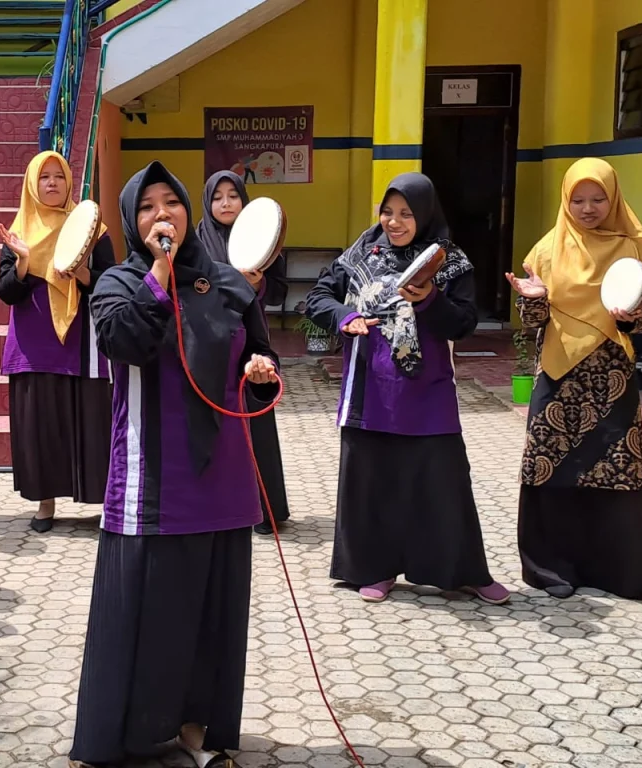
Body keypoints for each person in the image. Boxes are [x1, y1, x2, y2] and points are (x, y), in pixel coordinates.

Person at [68, 161, 280, 768]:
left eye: (172, 202)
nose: (164, 214)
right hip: (152, 480)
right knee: (149, 612)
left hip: (225, 476)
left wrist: (259, 373)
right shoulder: (117, 283)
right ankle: (123, 734)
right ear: (134, 223)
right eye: (147, 207)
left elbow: (258, 357)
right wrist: (158, 277)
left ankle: (198, 729)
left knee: (212, 616)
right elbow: (124, 341)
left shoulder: (230, 285)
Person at [304, 172, 509, 605]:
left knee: (444, 484)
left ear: (427, 215)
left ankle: (463, 570)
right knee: (374, 483)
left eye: (406, 214)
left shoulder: (449, 261)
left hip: (427, 393)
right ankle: (374, 569)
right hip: (369, 392)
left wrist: (429, 298)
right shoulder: (360, 252)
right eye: (388, 212)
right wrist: (344, 316)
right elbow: (318, 298)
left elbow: (465, 323)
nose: (394, 222)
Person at [507, 157, 642, 600]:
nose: (588, 208)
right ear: (566, 201)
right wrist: (532, 300)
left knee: (617, 469)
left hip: (612, 375)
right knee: (551, 468)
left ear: (614, 197)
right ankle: (552, 570)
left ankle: (617, 571)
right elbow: (533, 319)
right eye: (578, 199)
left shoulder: (635, 245)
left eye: (598, 198)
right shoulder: (548, 249)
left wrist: (632, 320)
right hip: (558, 370)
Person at [0, 150, 114, 533]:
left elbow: (111, 284)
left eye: (58, 176)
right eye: (44, 177)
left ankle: (100, 502)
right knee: (41, 424)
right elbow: (5, 292)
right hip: (34, 343)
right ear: (32, 183)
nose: (51, 184)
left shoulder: (91, 228)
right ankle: (45, 503)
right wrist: (23, 264)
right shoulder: (19, 232)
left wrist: (83, 275)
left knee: (90, 419)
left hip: (82, 340)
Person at [198, 170, 290, 535]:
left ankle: (265, 510)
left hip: (252, 342)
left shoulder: (263, 239)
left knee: (255, 420)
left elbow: (281, 292)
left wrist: (259, 284)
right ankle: (217, 506)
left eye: (232, 196)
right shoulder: (196, 243)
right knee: (217, 424)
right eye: (217, 196)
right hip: (209, 343)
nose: (225, 203)